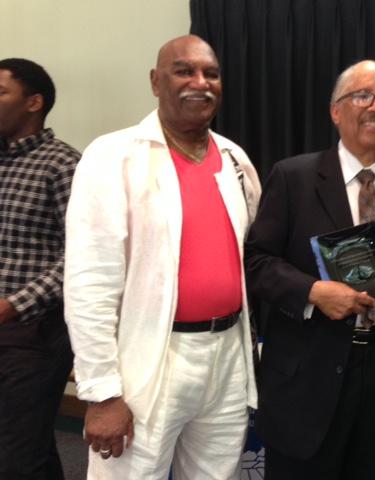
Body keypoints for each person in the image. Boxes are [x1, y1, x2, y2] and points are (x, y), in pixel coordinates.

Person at [64, 35, 261, 480]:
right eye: (184, 70)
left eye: (211, 73)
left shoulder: (235, 160)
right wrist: (100, 393)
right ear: (156, 82)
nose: (200, 82)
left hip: (227, 352)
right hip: (150, 358)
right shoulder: (113, 156)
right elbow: (88, 284)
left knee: (218, 475)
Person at [245, 60, 375, 480]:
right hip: (307, 379)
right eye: (362, 95)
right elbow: (256, 262)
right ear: (335, 110)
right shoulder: (293, 177)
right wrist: (312, 292)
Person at [0, 58, 79, 480]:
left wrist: (13, 305)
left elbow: (82, 256)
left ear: (34, 102)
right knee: (26, 445)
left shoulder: (64, 165)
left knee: (15, 457)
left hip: (35, 334)